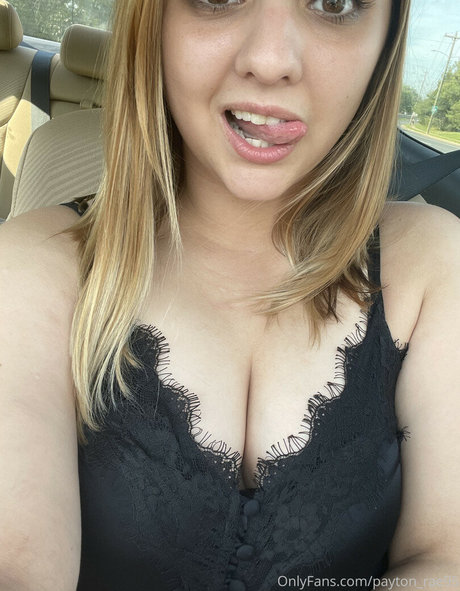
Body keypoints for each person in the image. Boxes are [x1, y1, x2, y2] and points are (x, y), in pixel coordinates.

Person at [1, 1, 459, 590]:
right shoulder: (29, 268)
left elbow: (449, 557)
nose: (270, 60)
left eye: (334, 2)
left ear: (386, 37)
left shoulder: (433, 263)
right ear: (153, 21)